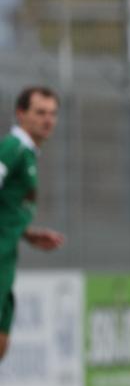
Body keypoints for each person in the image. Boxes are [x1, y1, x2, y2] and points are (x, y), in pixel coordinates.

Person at [0, 86, 65, 360]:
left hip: (7, 254)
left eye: (52, 113)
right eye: (40, 112)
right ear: (21, 113)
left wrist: (26, 233)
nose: (47, 119)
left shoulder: (27, 155)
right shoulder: (13, 148)